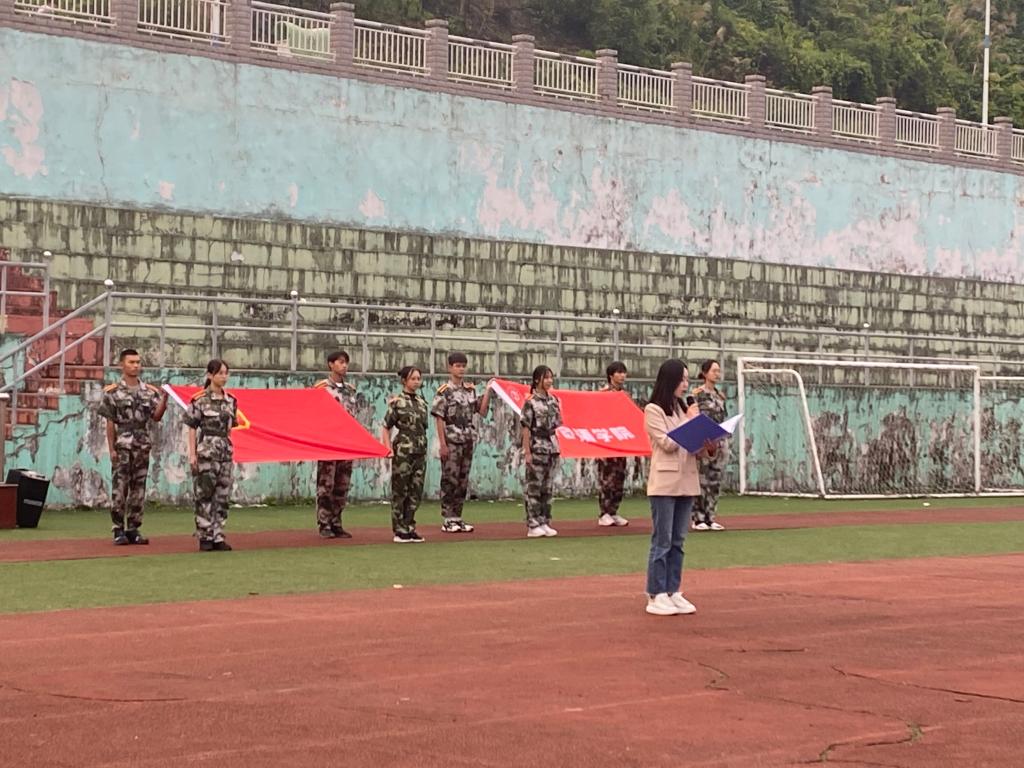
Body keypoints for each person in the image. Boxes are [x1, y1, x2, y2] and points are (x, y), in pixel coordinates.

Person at [643, 358, 714, 616]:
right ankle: (656, 593)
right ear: (670, 380)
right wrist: (692, 423)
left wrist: (708, 444)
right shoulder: (653, 410)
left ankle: (673, 590)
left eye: (687, 379)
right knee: (662, 540)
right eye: (681, 379)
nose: (685, 385)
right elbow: (667, 443)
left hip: (687, 481)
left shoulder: (683, 409)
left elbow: (692, 448)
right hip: (664, 483)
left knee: (678, 541)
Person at [97, 349, 168, 545]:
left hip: (141, 445)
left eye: (138, 362)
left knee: (138, 488)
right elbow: (110, 422)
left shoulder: (149, 391)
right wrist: (111, 449)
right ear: (122, 364)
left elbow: (156, 416)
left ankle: (133, 528)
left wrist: (164, 401)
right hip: (122, 445)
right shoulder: (112, 392)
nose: (135, 365)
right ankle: (118, 528)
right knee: (120, 488)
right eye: (131, 362)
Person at [431, 352, 492, 533]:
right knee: (449, 479)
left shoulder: (470, 390)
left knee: (462, 480)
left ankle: (457, 516)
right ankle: (448, 518)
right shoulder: (444, 391)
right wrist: (442, 444)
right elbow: (439, 418)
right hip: (451, 439)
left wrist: (488, 392)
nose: (461, 369)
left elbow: (481, 411)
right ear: (450, 368)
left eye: (463, 366)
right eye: (457, 366)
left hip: (467, 438)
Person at [184, 359, 238, 552]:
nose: (224, 377)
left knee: (222, 495)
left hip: (225, 452)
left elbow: (231, 428)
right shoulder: (199, 399)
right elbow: (192, 427)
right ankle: (205, 535)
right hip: (206, 452)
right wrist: (192, 454)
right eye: (220, 373)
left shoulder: (231, 400)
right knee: (205, 494)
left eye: (226, 373)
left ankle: (218, 535)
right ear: (210, 375)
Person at [313, 350, 359, 539]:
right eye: (340, 362)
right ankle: (324, 523)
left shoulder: (350, 390)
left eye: (346, 362)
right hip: (328, 442)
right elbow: (314, 415)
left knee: (342, 485)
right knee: (326, 485)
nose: (344, 366)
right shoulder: (321, 388)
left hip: (346, 443)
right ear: (331, 364)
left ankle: (336, 522)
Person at [382, 366, 428, 543]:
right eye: (412, 379)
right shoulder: (397, 402)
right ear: (404, 381)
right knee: (400, 490)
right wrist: (388, 448)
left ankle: (410, 526)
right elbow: (386, 426)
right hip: (403, 450)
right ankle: (399, 529)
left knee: (416, 490)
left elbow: (423, 427)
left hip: (420, 450)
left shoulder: (422, 402)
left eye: (418, 378)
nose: (416, 382)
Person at [521, 365, 562, 538]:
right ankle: (533, 523)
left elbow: (557, 423)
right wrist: (527, 451)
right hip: (537, 445)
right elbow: (525, 427)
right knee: (534, 487)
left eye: (551, 377)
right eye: (546, 377)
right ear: (537, 380)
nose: (549, 381)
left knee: (547, 488)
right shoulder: (530, 401)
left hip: (551, 447)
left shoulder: (554, 400)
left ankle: (545, 521)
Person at [692, 359, 729, 531]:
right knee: (702, 480)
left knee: (715, 481)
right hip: (704, 442)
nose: (717, 374)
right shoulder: (697, 394)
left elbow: (722, 417)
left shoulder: (720, 396)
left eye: (718, 371)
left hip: (719, 442)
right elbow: (693, 417)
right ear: (705, 373)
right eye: (714, 371)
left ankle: (710, 517)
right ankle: (698, 518)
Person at [597, 360, 630, 527]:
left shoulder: (625, 395)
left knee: (619, 477)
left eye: (624, 372)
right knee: (607, 478)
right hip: (607, 441)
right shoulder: (603, 394)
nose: (622, 376)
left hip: (621, 442)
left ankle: (613, 511)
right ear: (611, 375)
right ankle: (604, 512)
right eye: (619, 372)